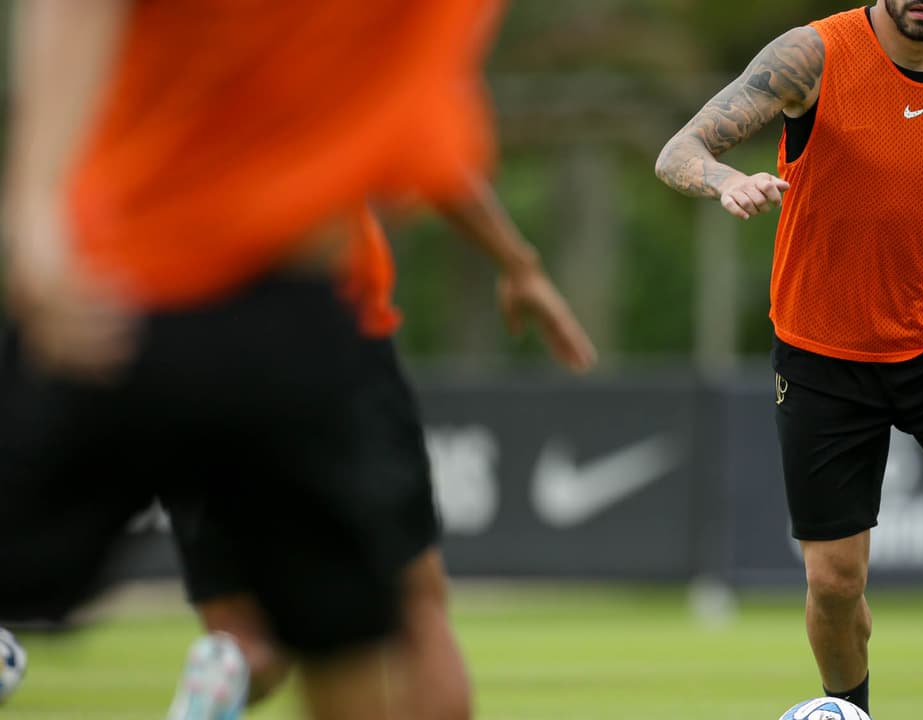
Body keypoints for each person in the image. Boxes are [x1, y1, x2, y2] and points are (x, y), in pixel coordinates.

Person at [0, 1, 593, 718]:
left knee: (253, 633)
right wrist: (519, 262)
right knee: (390, 636)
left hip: (112, 290)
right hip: (292, 318)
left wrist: (33, 211)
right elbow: (429, 153)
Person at [655, 2, 923, 719]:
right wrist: (726, 181)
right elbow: (678, 152)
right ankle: (851, 711)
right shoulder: (811, 56)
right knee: (835, 583)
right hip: (824, 351)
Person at [166, 187, 594, 720]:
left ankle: (227, 669)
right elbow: (439, 163)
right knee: (415, 618)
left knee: (247, 642)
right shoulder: (335, 100)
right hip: (332, 335)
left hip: (182, 343)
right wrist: (519, 265)